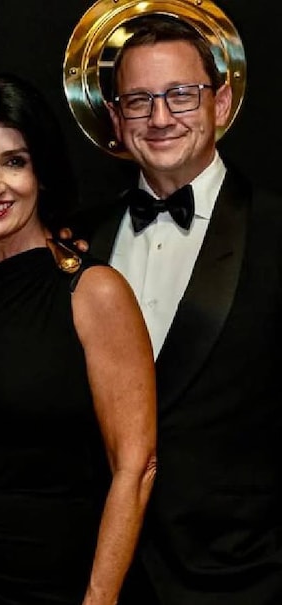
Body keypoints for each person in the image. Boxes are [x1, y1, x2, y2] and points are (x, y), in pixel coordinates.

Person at [0, 74, 157, 605]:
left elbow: (135, 466)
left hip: (47, 579)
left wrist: (100, 598)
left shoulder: (91, 291)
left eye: (14, 162)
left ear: (42, 171)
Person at [84, 14, 282, 604]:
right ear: (116, 119)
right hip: (97, 570)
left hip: (245, 577)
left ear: (220, 104)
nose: (161, 117)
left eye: (181, 95)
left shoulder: (275, 230)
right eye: (139, 101)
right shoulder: (77, 241)